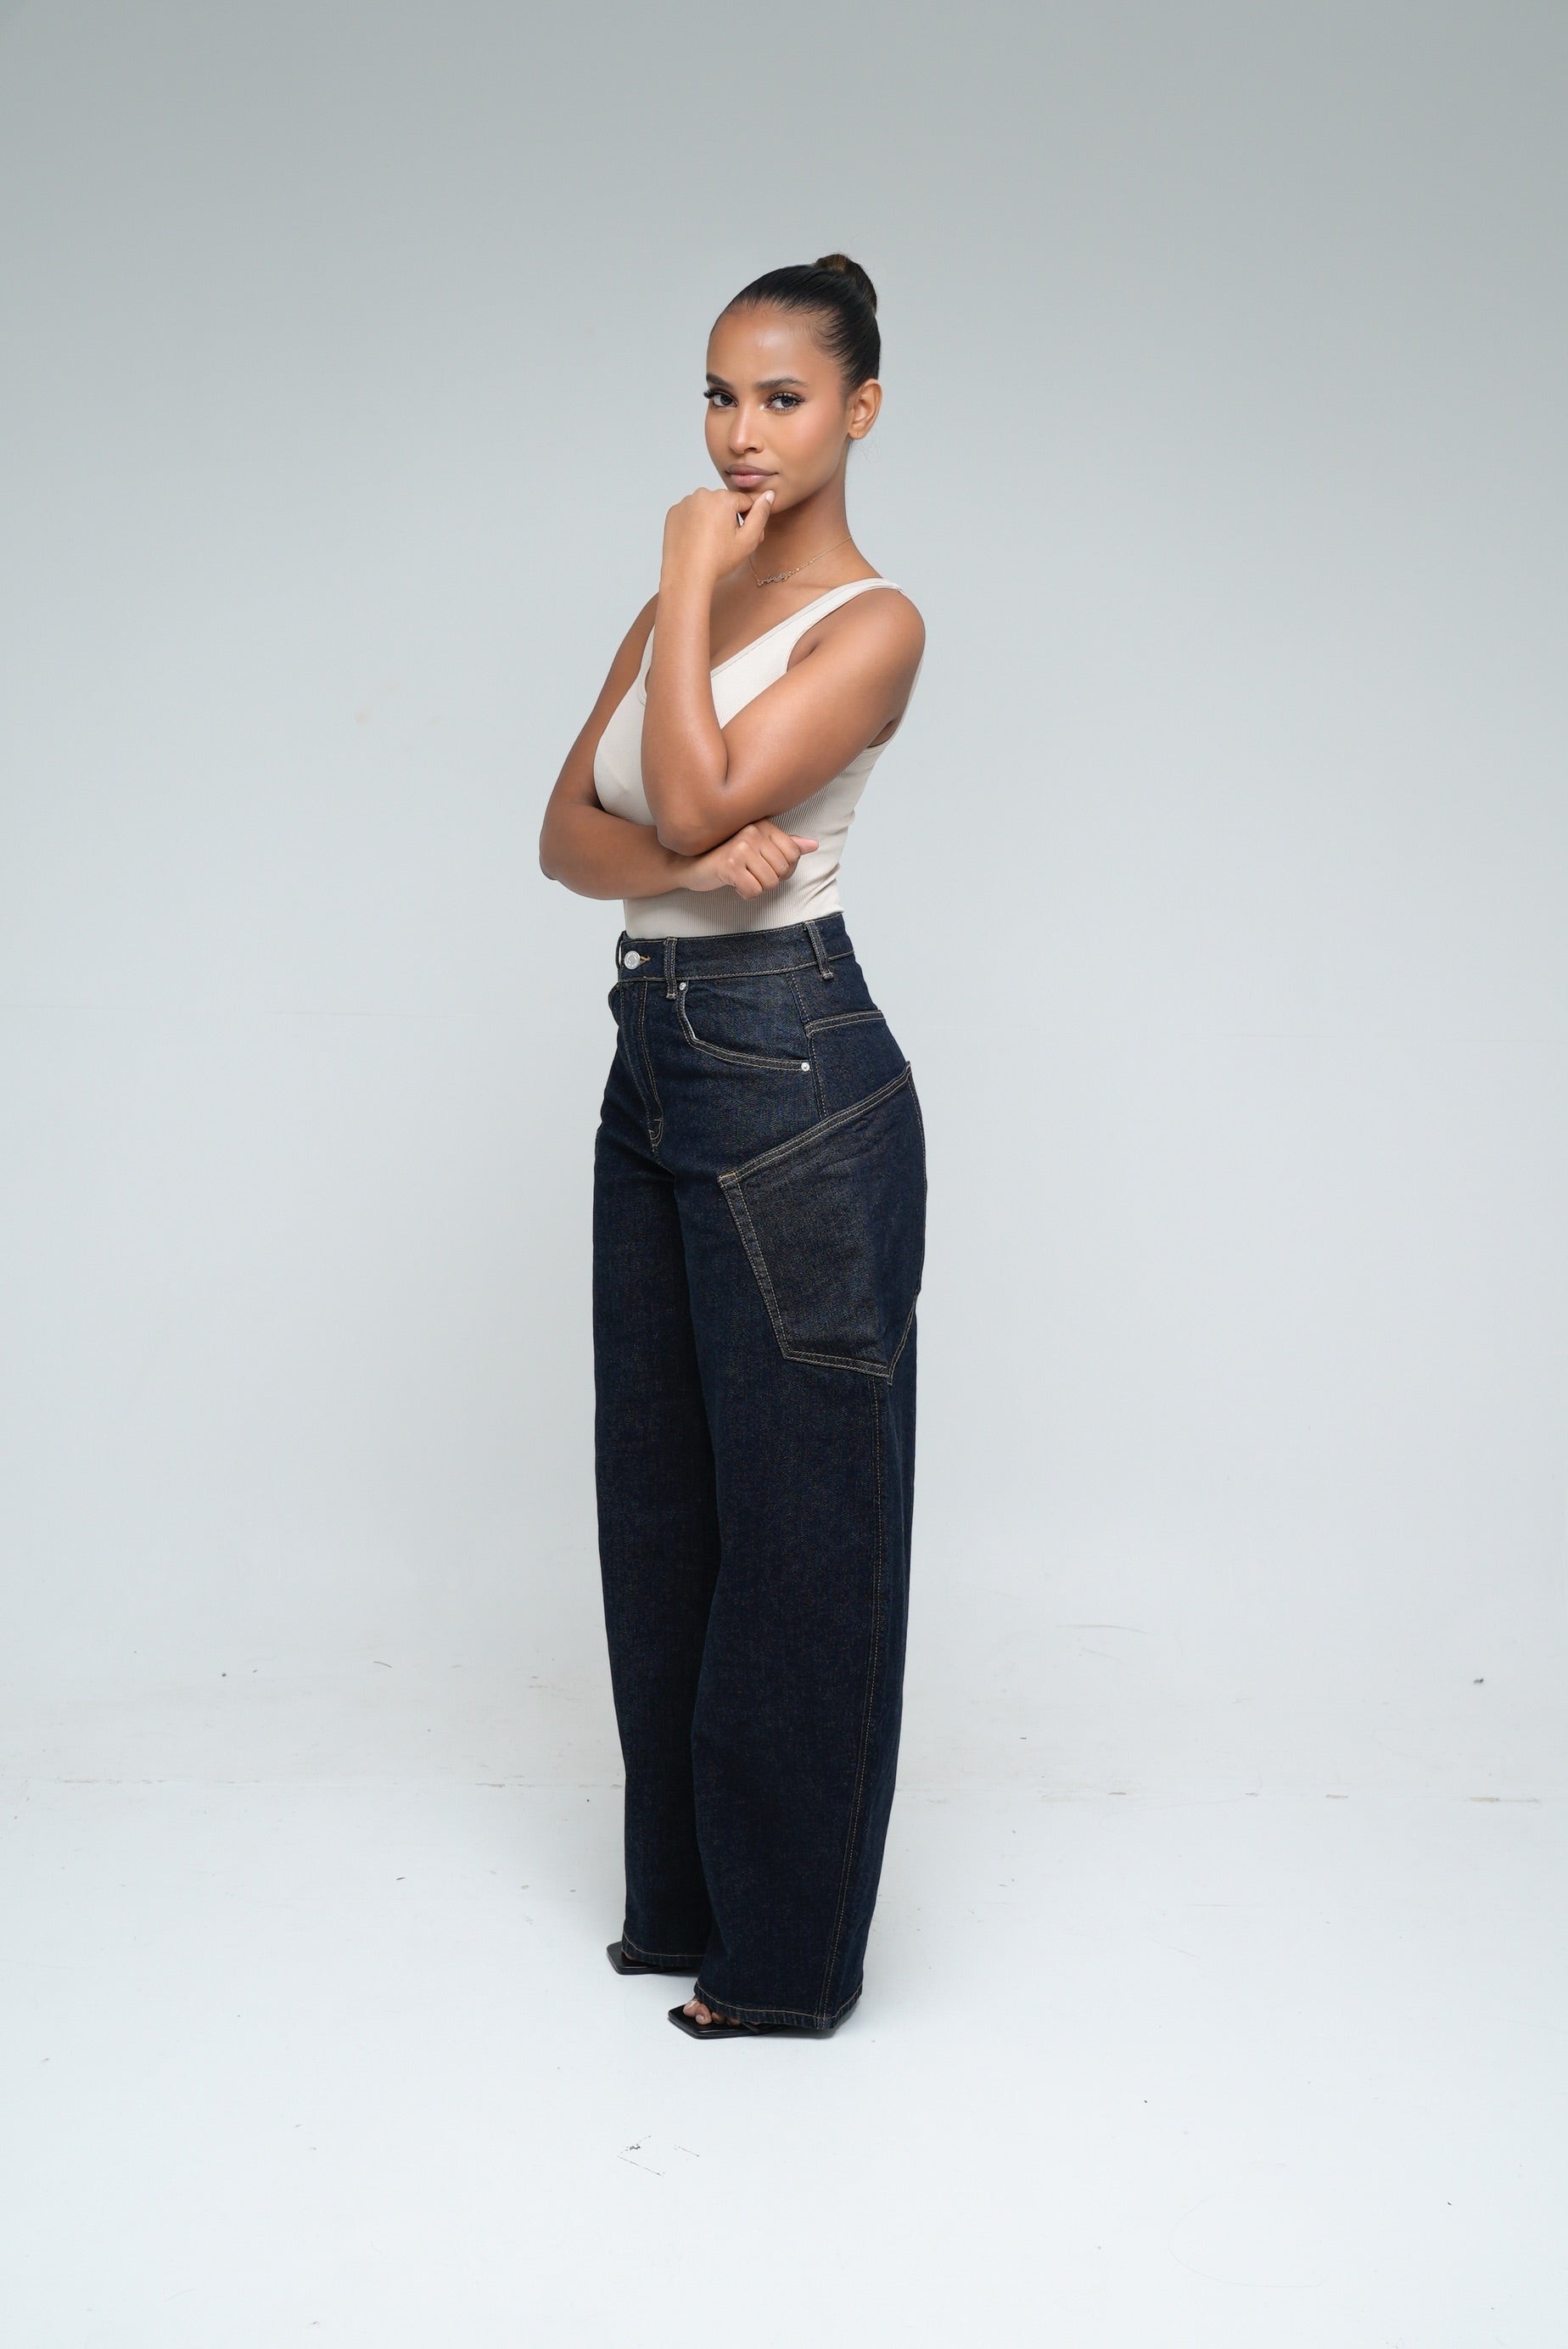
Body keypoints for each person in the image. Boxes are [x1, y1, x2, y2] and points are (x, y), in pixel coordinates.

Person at [539, 255, 927, 2038]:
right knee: (663, 1510)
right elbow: (568, 838)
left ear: (859, 409)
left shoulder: (872, 626)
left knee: (802, 1529)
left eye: (781, 397)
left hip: (792, 1071)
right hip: (655, 1059)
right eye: (718, 395)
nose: (740, 432)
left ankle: (781, 1967)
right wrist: (690, 860)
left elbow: (684, 789)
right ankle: (683, 1912)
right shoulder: (670, 607)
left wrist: (692, 579)